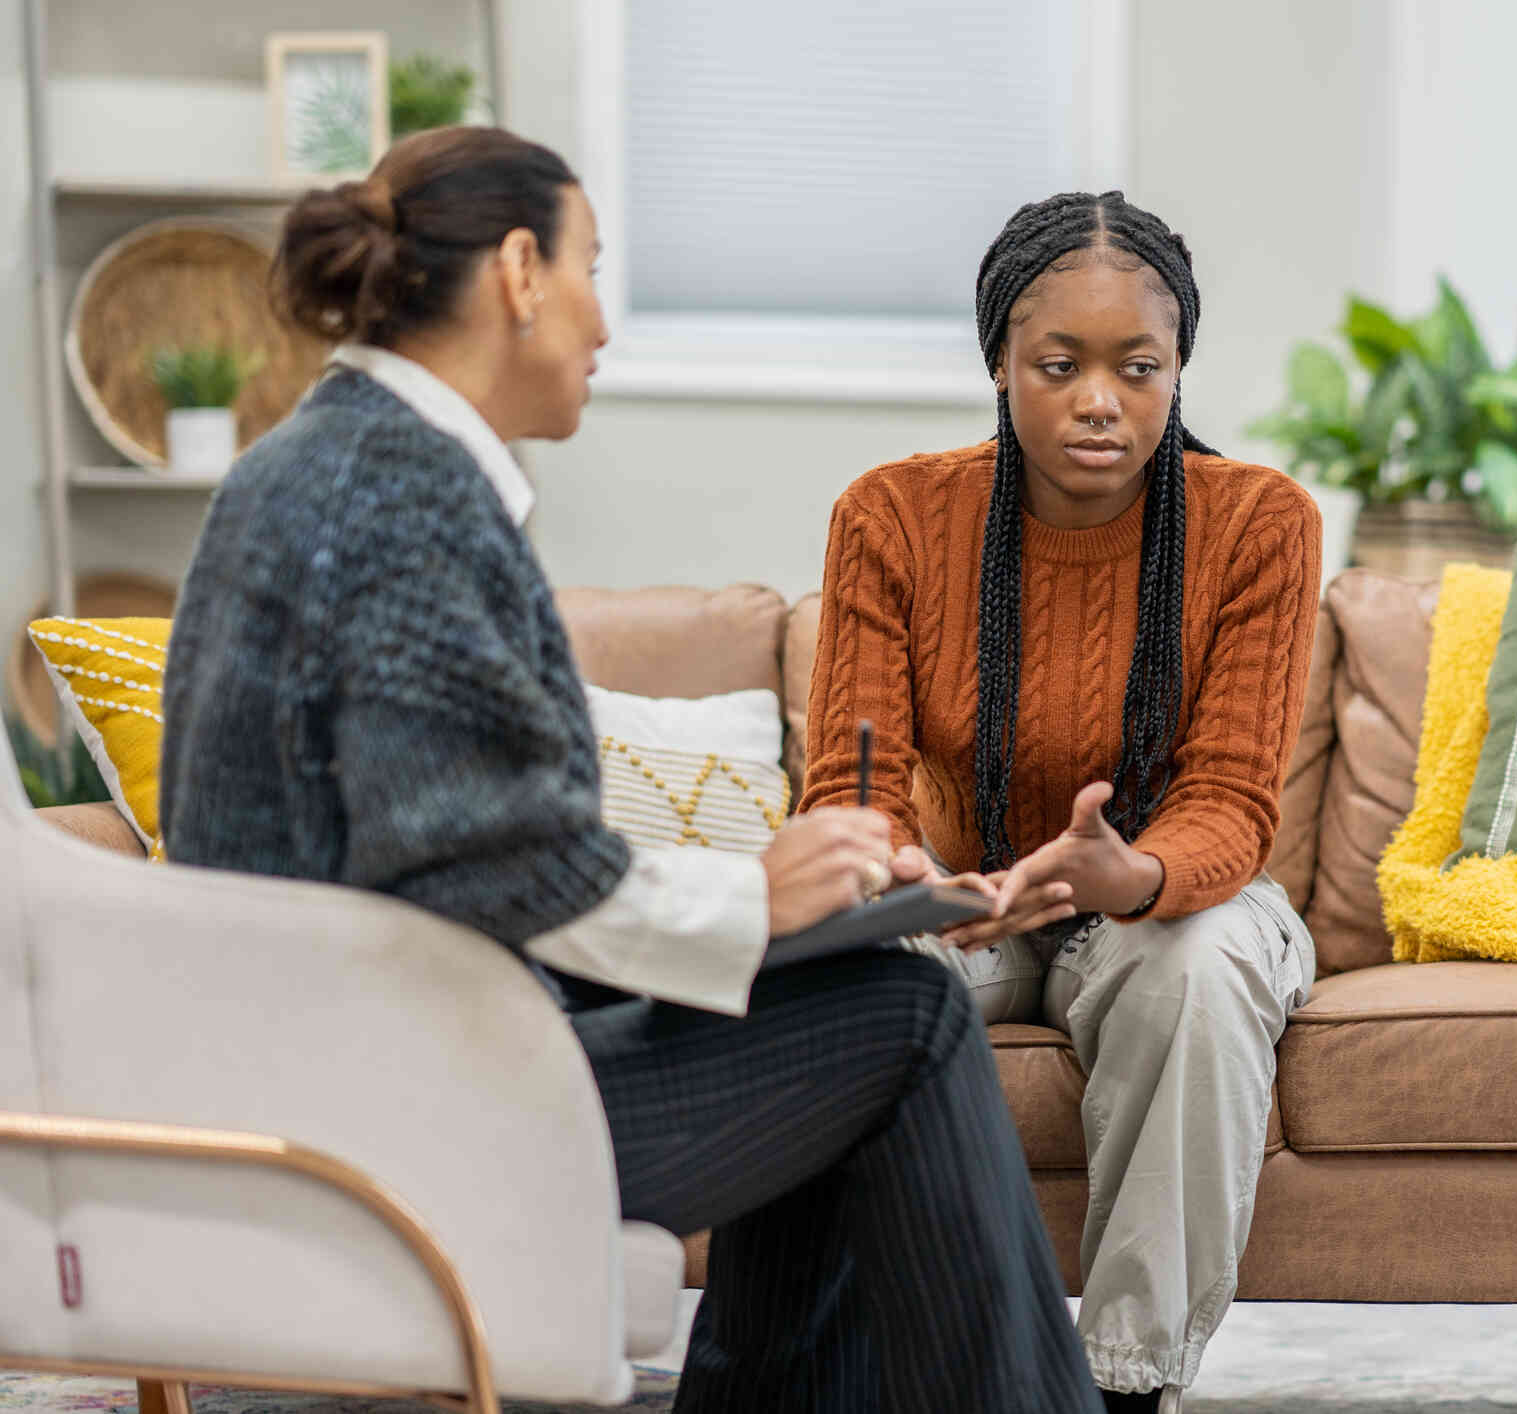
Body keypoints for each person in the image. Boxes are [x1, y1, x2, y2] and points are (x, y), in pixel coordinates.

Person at [158, 125, 1101, 1414]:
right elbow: (490, 859)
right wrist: (755, 897)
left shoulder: (333, 464)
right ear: (517, 272)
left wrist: (792, 910)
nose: (606, 321)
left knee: (859, 982)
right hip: (406, 1107)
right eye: (592, 268)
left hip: (386, 1054)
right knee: (913, 1020)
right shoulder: (394, 497)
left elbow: (463, 841)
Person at [801, 191, 1325, 1413]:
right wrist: (906, 877)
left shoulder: (1258, 524)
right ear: (999, 361)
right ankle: (893, 1363)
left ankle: (1127, 1386)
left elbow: (1232, 800)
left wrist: (1129, 875)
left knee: (1193, 961)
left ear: (1178, 366)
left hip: (1159, 905)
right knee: (858, 967)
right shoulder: (892, 515)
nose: (1102, 397)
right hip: (970, 898)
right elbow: (855, 787)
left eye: (1138, 366)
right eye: (1061, 363)